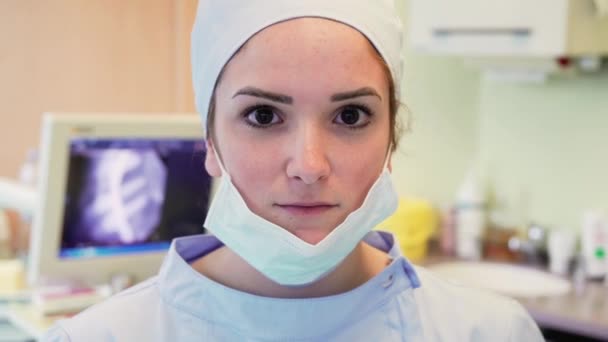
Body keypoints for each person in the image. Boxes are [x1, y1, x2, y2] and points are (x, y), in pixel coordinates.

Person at [43, 0, 544, 341]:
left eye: (350, 116)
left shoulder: (488, 332)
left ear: (392, 136)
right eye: (263, 115)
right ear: (210, 140)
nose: (309, 165)